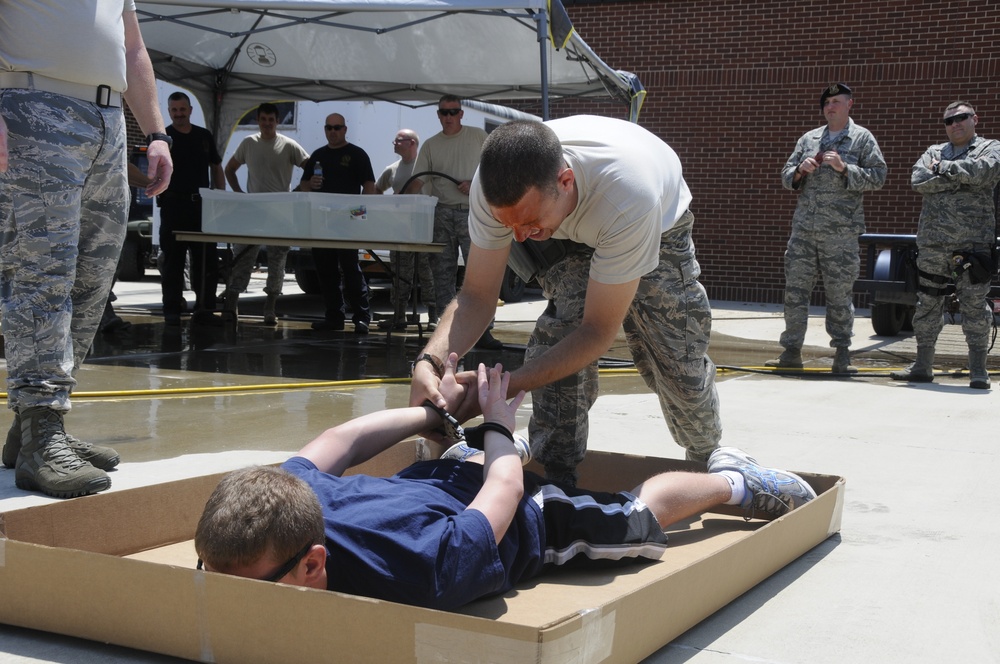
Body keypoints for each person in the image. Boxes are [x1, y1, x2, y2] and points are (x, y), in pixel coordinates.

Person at [194, 355, 817, 611]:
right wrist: (435, 417)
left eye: (241, 591)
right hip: (439, 482)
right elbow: (341, 443)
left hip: (520, 516)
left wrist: (492, 423)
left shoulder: (421, 568)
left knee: (637, 519)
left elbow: (504, 496)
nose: (216, 601)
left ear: (312, 564)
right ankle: (485, 446)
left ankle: (735, 480)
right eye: (207, 576)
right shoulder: (279, 506)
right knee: (477, 463)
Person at [410, 117, 722, 487]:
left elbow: (597, 332)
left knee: (676, 363)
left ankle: (708, 459)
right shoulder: (494, 191)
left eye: (529, 222)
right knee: (558, 337)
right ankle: (555, 477)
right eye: (508, 226)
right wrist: (427, 362)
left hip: (653, 225)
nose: (522, 237)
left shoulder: (628, 196)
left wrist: (500, 389)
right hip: (572, 229)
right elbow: (477, 296)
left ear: (566, 181)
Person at [0, 0, 173, 498]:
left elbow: (133, 46)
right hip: (33, 107)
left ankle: (35, 425)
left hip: (108, 122)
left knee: (90, 279)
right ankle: (41, 428)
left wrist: (156, 132)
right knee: (40, 273)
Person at [766, 83, 887, 373]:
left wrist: (845, 168)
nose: (830, 107)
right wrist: (799, 171)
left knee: (839, 296)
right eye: (827, 103)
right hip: (804, 232)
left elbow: (879, 176)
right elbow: (786, 177)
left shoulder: (861, 139)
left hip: (841, 235)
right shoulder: (809, 139)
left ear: (849, 105)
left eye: (836, 101)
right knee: (795, 293)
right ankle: (791, 351)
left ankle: (842, 355)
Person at [891, 101, 1000, 389]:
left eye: (961, 118)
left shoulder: (991, 147)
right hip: (933, 243)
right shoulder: (933, 151)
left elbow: (986, 173)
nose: (955, 124)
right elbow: (918, 180)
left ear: (974, 119)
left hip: (972, 246)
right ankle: (923, 366)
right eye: (949, 121)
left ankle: (979, 369)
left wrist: (944, 170)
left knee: (975, 307)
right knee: (927, 304)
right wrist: (961, 176)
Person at [403, 95, 501, 348]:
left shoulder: (478, 136)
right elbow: (418, 180)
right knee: (442, 274)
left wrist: (475, 183)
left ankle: (483, 332)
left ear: (461, 114)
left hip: (474, 214)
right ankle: (445, 330)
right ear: (438, 115)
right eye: (444, 112)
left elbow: (495, 170)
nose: (448, 117)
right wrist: (398, 202)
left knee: (479, 274)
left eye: (453, 111)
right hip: (442, 214)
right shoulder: (430, 145)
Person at [222, 103, 309, 325]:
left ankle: (270, 308)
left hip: (281, 213)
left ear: (276, 121)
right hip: (253, 211)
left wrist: (298, 191)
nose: (267, 124)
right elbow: (229, 168)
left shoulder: (289, 145)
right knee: (242, 256)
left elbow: (310, 166)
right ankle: (231, 305)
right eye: (263, 119)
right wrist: (239, 193)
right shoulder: (248, 143)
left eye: (271, 120)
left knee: (277, 260)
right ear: (258, 121)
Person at [299, 113, 376, 334]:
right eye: (329, 128)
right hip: (321, 223)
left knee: (351, 270)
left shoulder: (357, 154)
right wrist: (309, 184)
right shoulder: (318, 155)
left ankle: (362, 318)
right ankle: (334, 317)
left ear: (345, 129)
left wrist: (359, 216)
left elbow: (368, 186)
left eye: (337, 127)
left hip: (347, 223)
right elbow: (303, 185)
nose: (333, 131)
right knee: (325, 271)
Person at [159, 91, 226, 326]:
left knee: (206, 263)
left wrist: (221, 198)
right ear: (169, 112)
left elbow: (216, 167)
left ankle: (205, 308)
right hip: (173, 206)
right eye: (174, 110)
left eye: (182, 109)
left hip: (202, 208)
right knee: (173, 264)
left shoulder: (203, 136)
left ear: (190, 110)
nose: (179, 114)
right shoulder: (164, 137)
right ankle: (171, 310)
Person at [375, 129, 436, 331]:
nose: (394, 143)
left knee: (427, 273)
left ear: (412, 143)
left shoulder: (426, 168)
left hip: (423, 230)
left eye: (398, 140)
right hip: (399, 231)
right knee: (400, 273)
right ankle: (399, 315)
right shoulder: (392, 170)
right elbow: (376, 189)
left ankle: (433, 316)